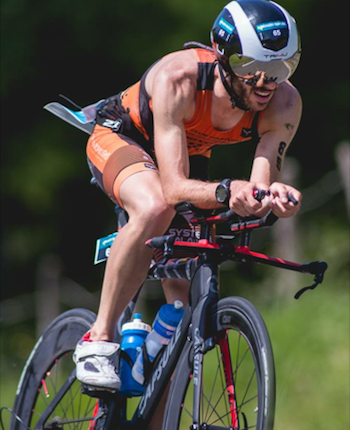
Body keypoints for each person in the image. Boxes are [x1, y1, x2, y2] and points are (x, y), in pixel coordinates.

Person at [73, 0, 302, 423]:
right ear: (222, 56)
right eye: (252, 65)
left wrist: (273, 196)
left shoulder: (284, 103)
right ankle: (99, 339)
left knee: (187, 312)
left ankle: (153, 383)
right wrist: (226, 189)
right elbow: (174, 187)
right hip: (124, 137)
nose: (268, 81)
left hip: (188, 155)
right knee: (156, 205)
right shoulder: (178, 77)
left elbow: (259, 181)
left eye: (284, 66)